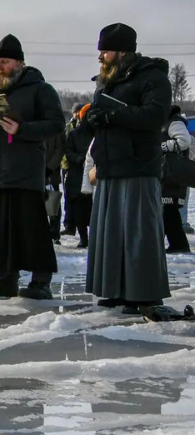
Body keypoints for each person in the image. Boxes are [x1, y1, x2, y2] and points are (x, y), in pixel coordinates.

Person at [84, 23, 184, 320]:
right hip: (111, 165)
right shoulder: (107, 82)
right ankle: (116, 290)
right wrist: (93, 116)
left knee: (139, 231)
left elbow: (155, 115)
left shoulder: (152, 77)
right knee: (111, 232)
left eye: (106, 51)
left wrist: (114, 114)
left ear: (123, 51)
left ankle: (144, 293)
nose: (100, 56)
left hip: (139, 165)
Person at [0, 35, 64, 300]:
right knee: (0, 230)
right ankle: (6, 279)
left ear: (19, 62)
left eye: (4, 61)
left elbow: (55, 124)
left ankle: (41, 281)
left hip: (26, 168)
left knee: (32, 227)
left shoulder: (40, 89)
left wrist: (22, 129)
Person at [159, 105, 192, 253]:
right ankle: (177, 244)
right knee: (167, 211)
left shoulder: (174, 122)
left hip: (172, 175)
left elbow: (184, 141)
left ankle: (179, 244)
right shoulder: (165, 123)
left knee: (168, 210)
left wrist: (162, 146)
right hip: (167, 174)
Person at [63, 104, 94, 248]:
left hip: (95, 174)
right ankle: (83, 238)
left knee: (93, 210)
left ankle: (94, 238)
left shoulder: (98, 133)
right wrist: (81, 159)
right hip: (77, 175)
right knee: (80, 210)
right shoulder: (74, 134)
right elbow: (68, 152)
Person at [44, 127, 66, 242]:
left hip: (51, 173)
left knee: (53, 202)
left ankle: (54, 232)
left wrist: (50, 167)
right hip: (34, 171)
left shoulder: (55, 126)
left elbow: (60, 148)